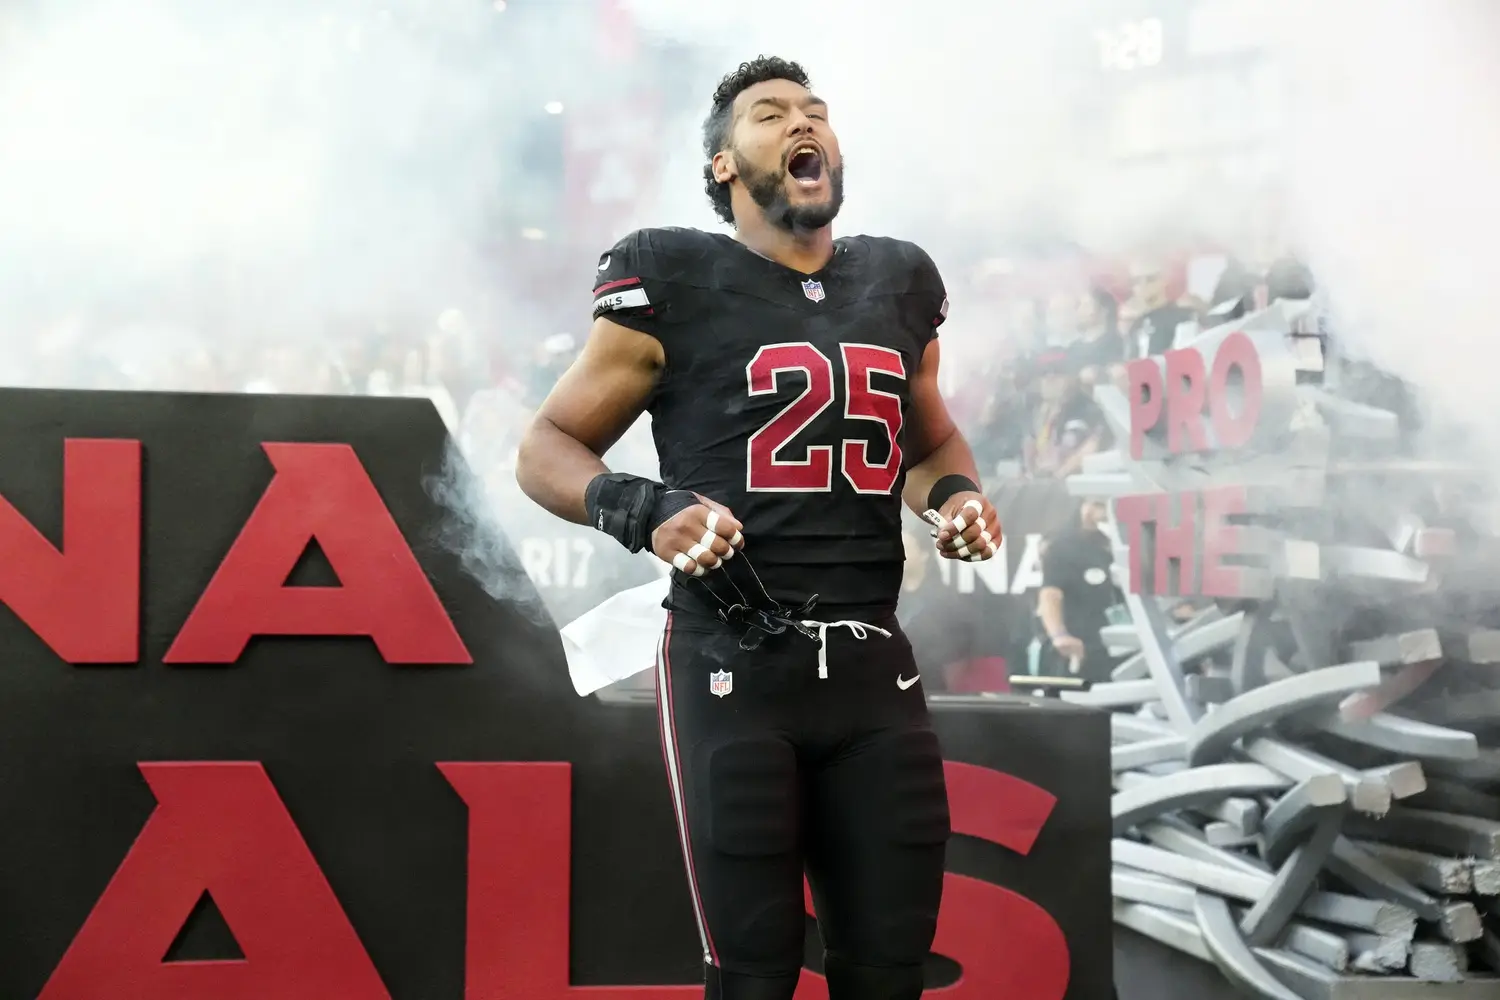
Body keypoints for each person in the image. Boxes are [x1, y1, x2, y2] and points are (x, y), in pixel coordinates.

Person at [515, 56, 1000, 1000]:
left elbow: (932, 443)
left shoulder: (898, 281)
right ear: (724, 165)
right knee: (755, 977)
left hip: (873, 667)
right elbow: (547, 445)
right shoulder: (673, 274)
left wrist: (955, 503)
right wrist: (645, 511)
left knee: (890, 973)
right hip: (733, 661)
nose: (802, 124)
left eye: (816, 113)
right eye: (771, 115)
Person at [1037, 498, 1121, 683]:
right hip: (1082, 647)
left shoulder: (1124, 543)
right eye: (1094, 503)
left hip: (1125, 647)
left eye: (1103, 505)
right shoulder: (1063, 545)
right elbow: (1051, 594)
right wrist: (1059, 636)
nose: (1097, 512)